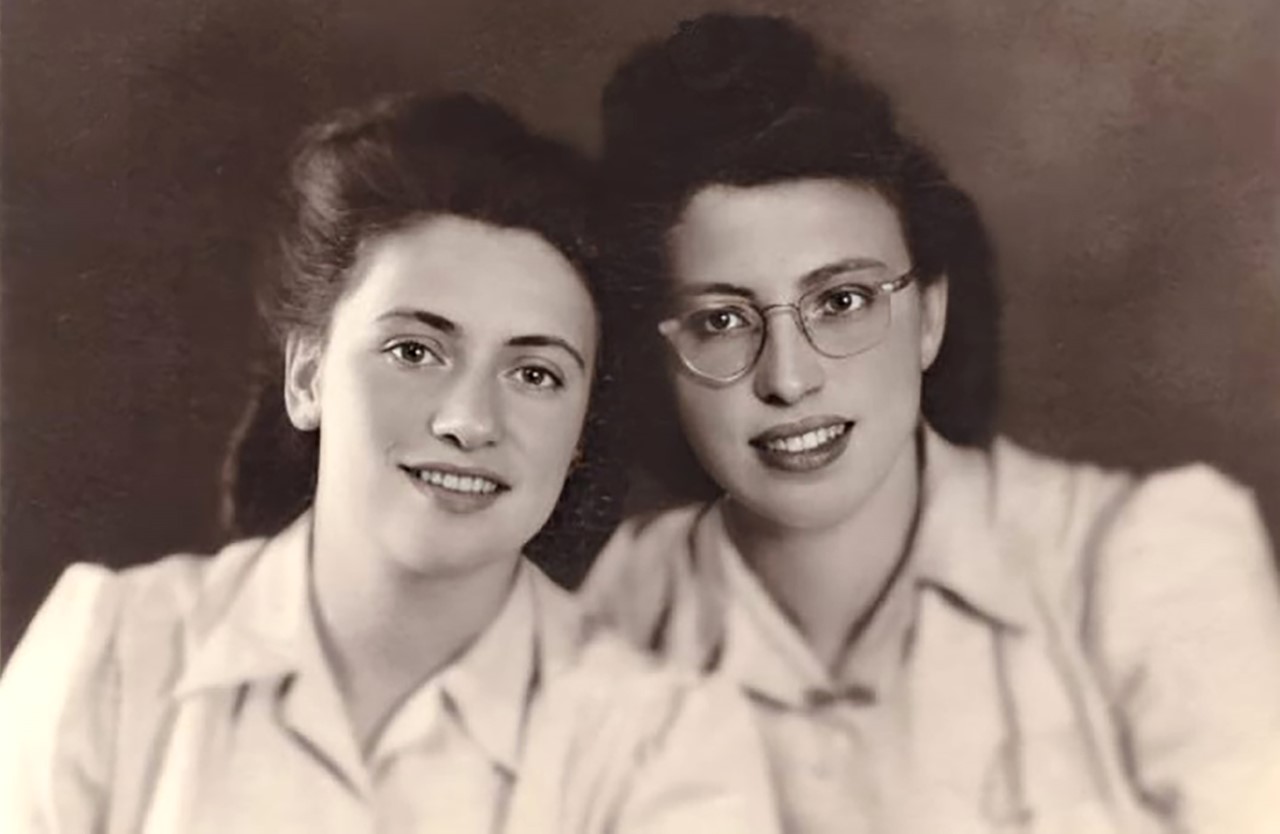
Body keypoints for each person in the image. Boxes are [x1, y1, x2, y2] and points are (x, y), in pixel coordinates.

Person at [0, 92, 779, 834]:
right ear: (308, 377)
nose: (470, 421)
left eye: (535, 374)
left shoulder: (665, 745)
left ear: (579, 434)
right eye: (414, 351)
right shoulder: (111, 658)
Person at [581, 13, 1280, 834]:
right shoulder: (613, 610)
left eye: (842, 301)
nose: (789, 378)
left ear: (930, 317)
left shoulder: (1143, 562)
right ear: (657, 358)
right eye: (721, 321)